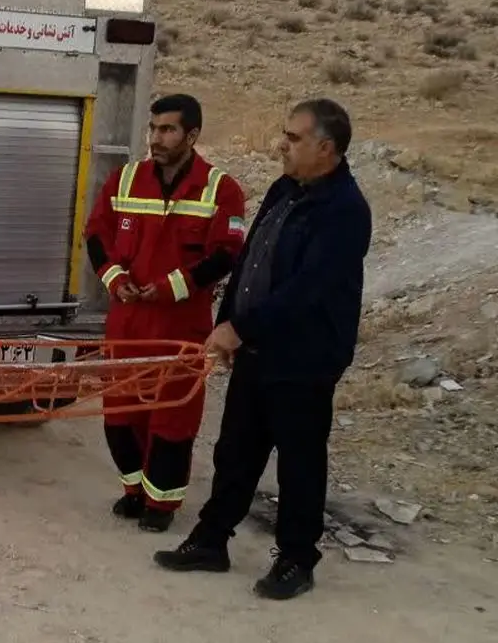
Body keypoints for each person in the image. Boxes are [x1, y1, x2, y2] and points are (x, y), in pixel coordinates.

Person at [155, 97, 372, 601]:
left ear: (327, 147)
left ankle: (297, 559)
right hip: (258, 348)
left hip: (304, 359)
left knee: (298, 462)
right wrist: (229, 322)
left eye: (293, 139)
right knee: (236, 451)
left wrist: (241, 330)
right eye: (285, 135)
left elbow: (305, 290)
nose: (282, 145)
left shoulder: (344, 211)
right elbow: (252, 261)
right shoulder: (286, 189)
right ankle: (212, 540)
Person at [85, 94, 247, 531]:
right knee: (121, 414)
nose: (156, 138)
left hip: (180, 326)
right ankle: (133, 491)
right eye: (153, 129)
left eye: (167, 130)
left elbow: (226, 254)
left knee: (172, 419)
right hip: (127, 321)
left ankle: (163, 504)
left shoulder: (220, 189)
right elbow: (96, 235)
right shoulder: (125, 179)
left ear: (191, 135)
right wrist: (117, 281)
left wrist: (169, 288)